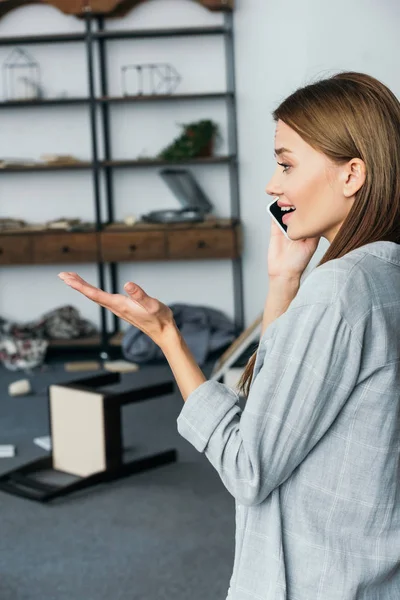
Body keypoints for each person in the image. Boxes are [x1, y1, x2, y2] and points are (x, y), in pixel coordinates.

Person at [58, 71, 400, 599]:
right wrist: (283, 281)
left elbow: (249, 466)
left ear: (352, 174)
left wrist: (167, 334)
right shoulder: (383, 276)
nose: (272, 183)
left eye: (286, 163)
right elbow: (273, 413)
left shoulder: (342, 290)